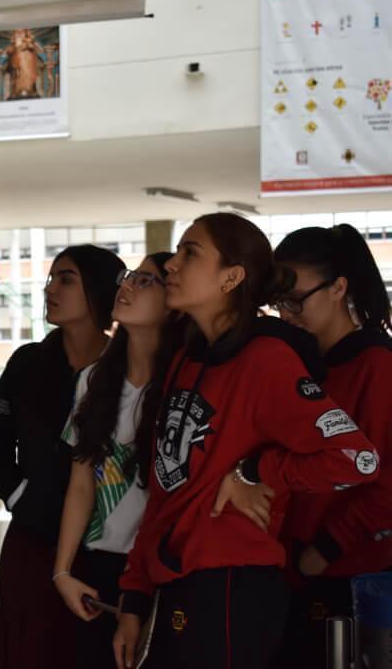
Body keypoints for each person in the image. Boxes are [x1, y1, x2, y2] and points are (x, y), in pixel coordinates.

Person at [112, 213, 380, 669]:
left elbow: (358, 459)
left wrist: (255, 471)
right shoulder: (187, 360)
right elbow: (166, 488)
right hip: (175, 587)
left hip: (232, 589)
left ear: (231, 277)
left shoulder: (267, 360)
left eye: (190, 253)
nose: (171, 264)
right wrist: (134, 596)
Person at [0, 244, 125, 669]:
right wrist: (18, 496)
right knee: (28, 648)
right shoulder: (28, 362)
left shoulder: (125, 366)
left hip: (104, 544)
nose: (50, 290)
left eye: (66, 279)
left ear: (98, 290)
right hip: (34, 536)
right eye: (51, 279)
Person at [257, 225, 391, 669]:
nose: (287, 313)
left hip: (350, 574)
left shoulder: (376, 365)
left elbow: (385, 481)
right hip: (291, 566)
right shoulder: (296, 361)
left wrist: (327, 547)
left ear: (338, 288)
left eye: (297, 300)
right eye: (280, 302)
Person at [54, 253, 185, 669]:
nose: (126, 286)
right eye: (129, 277)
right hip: (98, 567)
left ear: (173, 302)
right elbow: (81, 482)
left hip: (161, 570)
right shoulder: (93, 380)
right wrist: (63, 572)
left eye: (145, 281)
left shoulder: (185, 384)